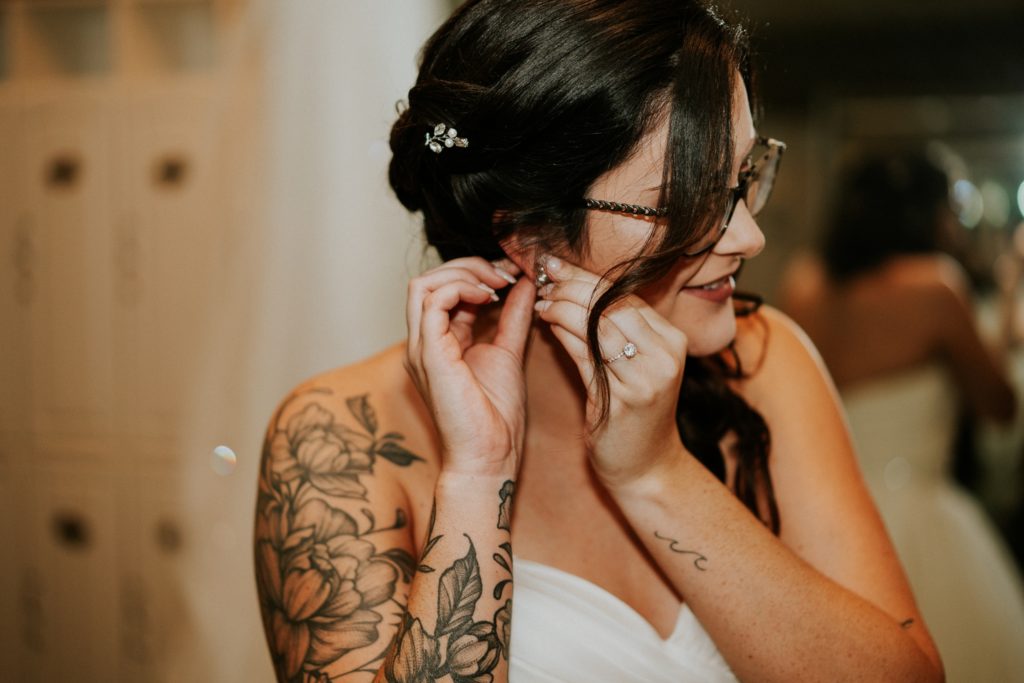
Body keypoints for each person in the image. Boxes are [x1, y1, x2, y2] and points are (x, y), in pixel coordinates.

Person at [254, 2, 944, 681]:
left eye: (741, 179)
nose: (748, 237)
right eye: (689, 199)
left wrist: (654, 472)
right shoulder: (340, 438)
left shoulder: (765, 363)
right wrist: (477, 475)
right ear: (528, 237)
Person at [780, 152, 1024, 682]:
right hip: (922, 516)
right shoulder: (935, 287)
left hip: (823, 520)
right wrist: (1009, 301)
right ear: (927, 212)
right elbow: (999, 407)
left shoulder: (806, 288)